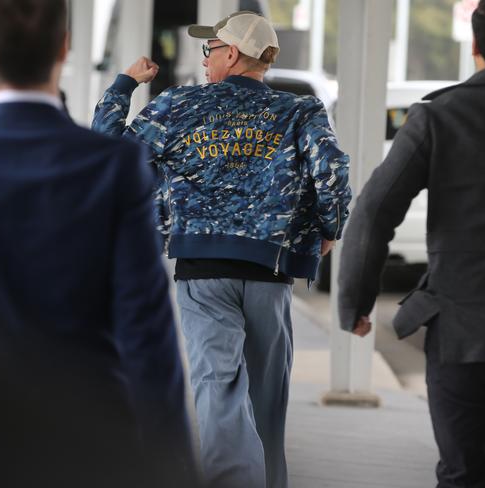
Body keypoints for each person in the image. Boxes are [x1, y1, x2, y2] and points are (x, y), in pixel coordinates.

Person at [0, 0, 197, 485]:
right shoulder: (114, 166)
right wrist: (170, 459)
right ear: (64, 48)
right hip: (92, 433)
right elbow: (146, 327)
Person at [92, 11, 351, 488]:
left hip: (203, 273)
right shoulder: (300, 111)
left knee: (219, 389)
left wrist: (124, 84)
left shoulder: (178, 105)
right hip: (270, 274)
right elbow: (332, 176)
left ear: (232, 54)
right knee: (267, 401)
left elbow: (108, 156)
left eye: (210, 50)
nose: (206, 59)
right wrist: (327, 231)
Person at [337, 0, 485, 486]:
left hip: (459, 329)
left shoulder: (439, 116)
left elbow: (373, 213)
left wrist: (356, 303)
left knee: (465, 472)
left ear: (475, 46)